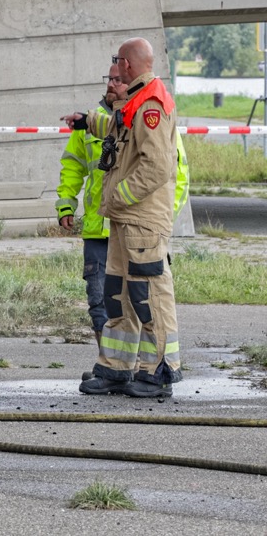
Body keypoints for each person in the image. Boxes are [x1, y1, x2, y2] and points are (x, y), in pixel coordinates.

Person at [64, 37, 181, 399]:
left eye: (118, 63)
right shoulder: (134, 101)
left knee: (149, 296)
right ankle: (116, 368)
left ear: (128, 65)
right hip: (124, 220)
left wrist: (120, 197)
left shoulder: (151, 104)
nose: (116, 69)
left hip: (141, 220)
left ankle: (159, 371)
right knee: (118, 295)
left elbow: (158, 165)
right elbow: (118, 127)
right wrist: (87, 122)